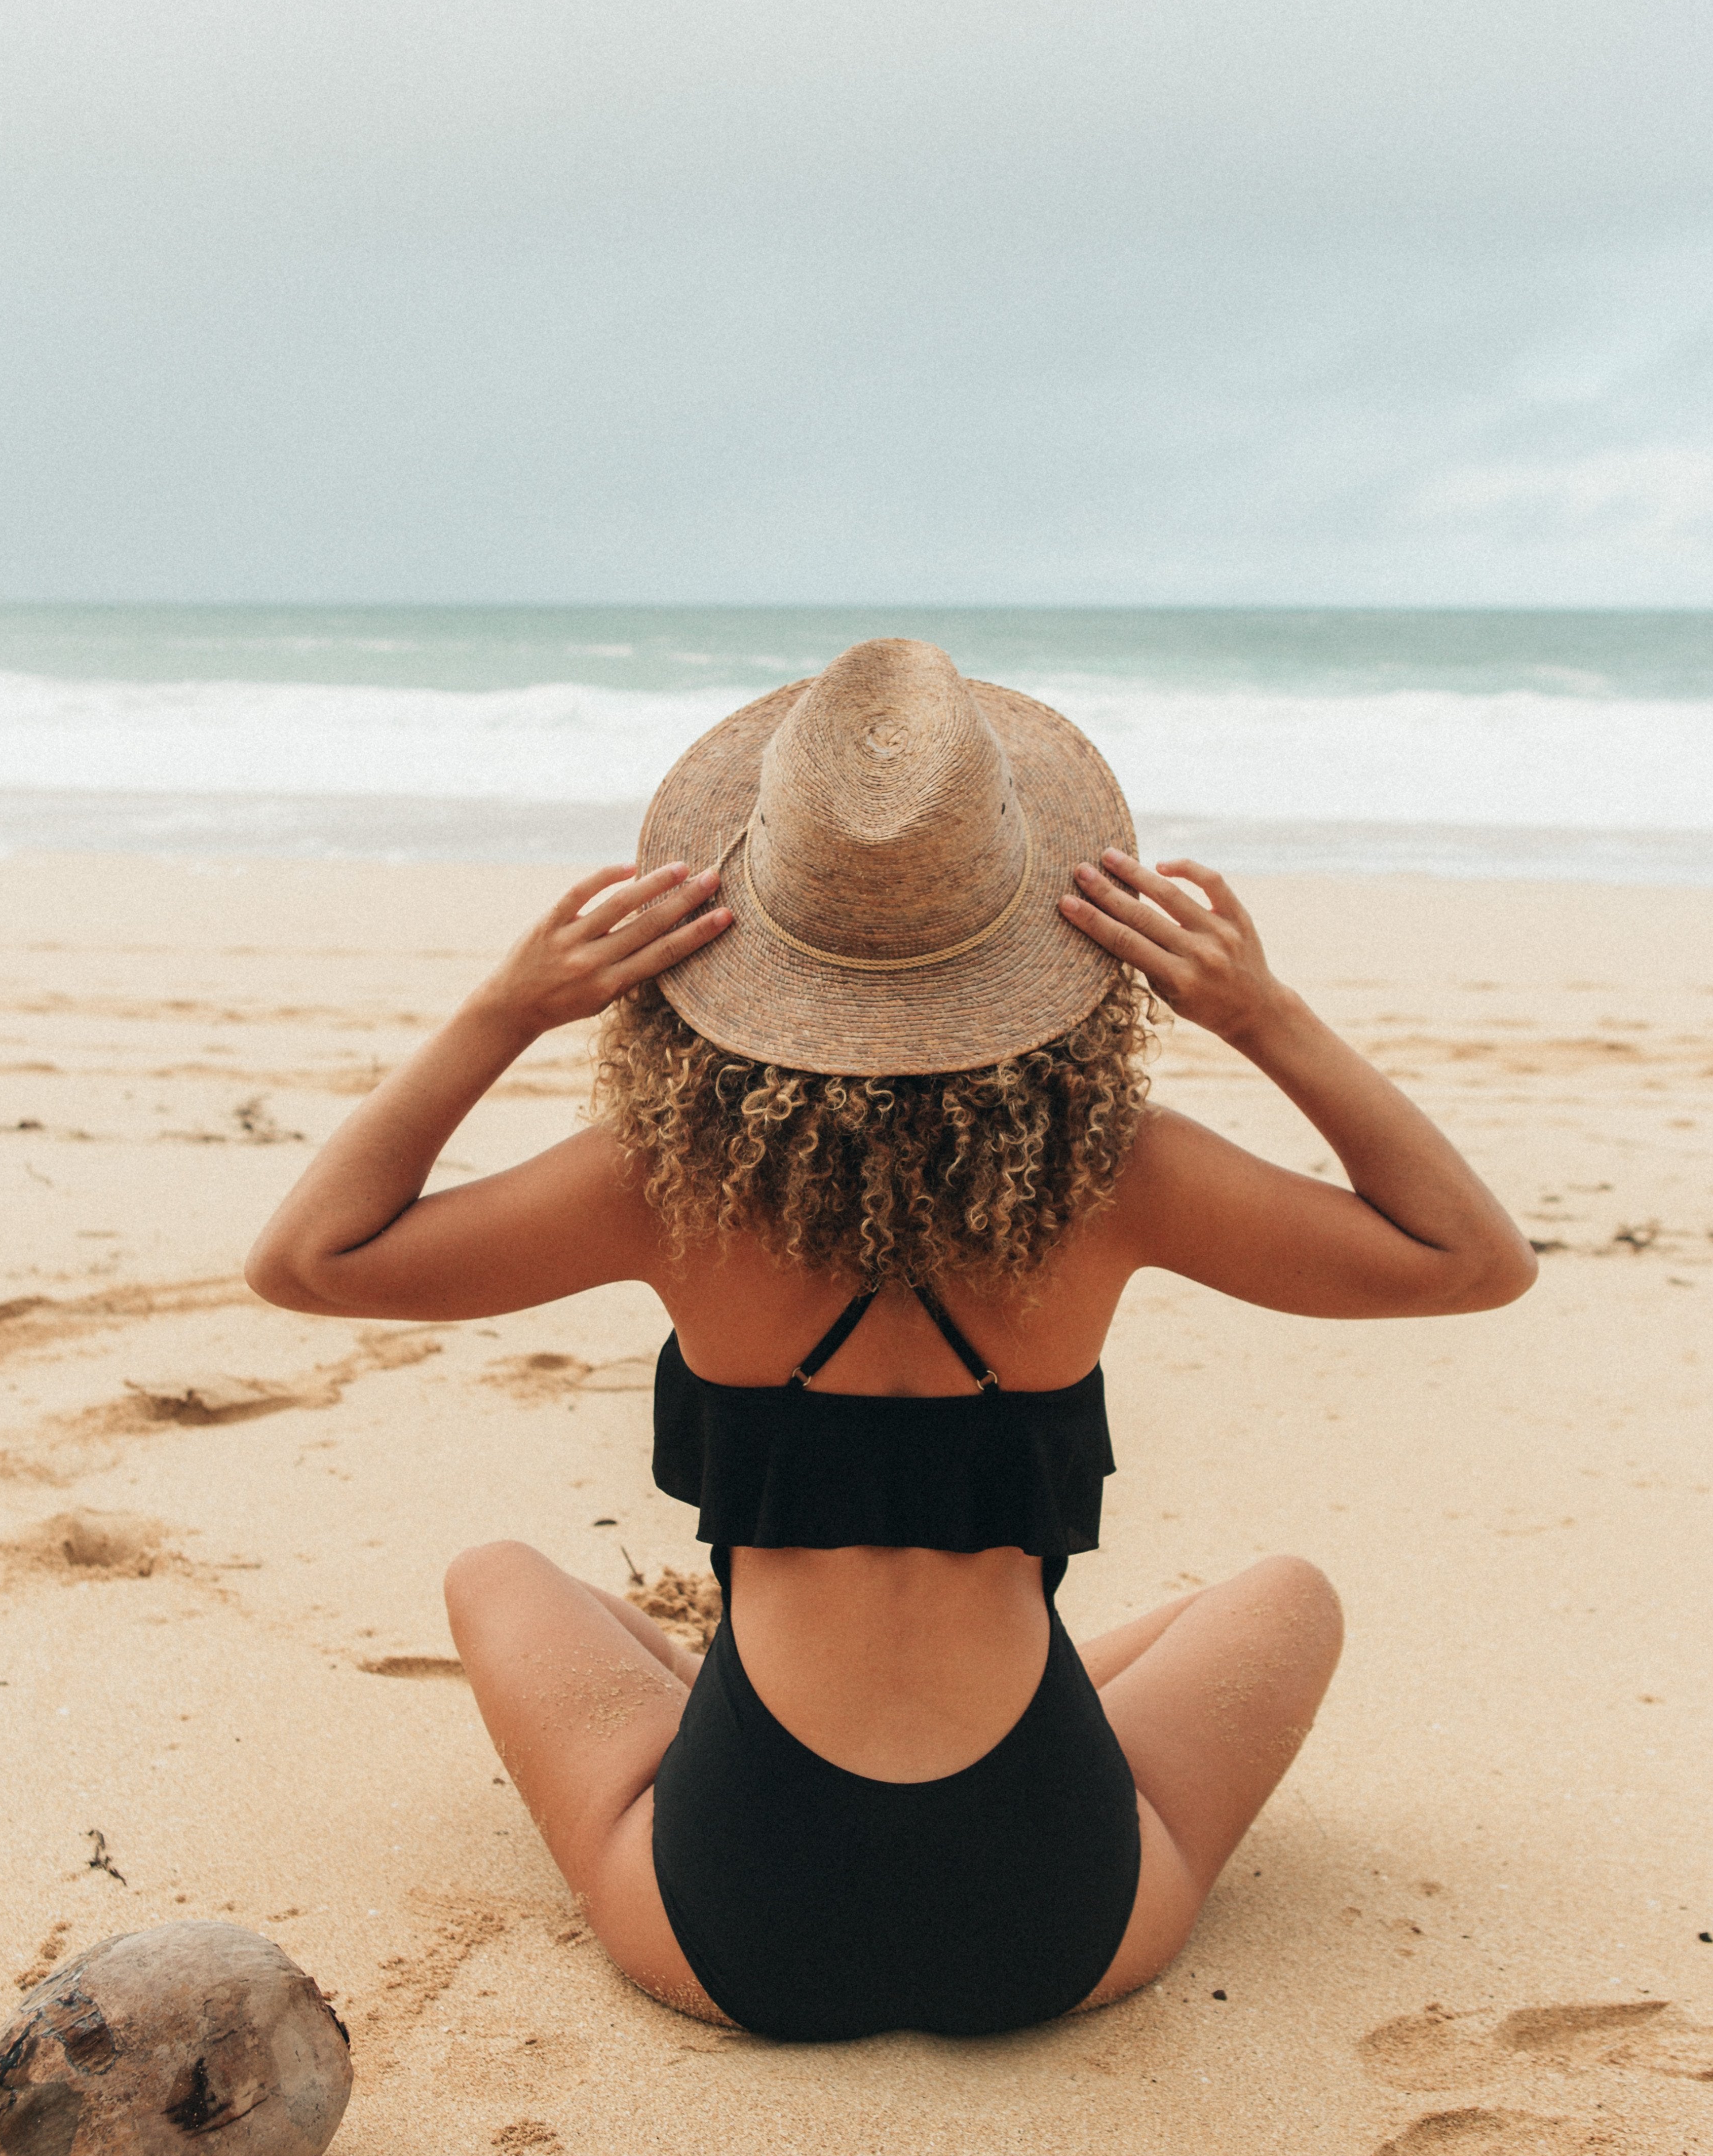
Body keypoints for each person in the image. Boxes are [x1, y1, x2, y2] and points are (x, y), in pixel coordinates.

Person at [246, 639, 1535, 2042]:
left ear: (727, 932)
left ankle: (738, 1719)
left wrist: (508, 1010)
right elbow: (1472, 1262)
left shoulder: (665, 1183)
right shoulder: (1120, 1176)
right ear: (1055, 944)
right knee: (1283, 1594)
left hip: (737, 1927)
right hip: (1059, 1921)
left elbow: (309, 1262)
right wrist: (1260, 1015)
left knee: (502, 1576)